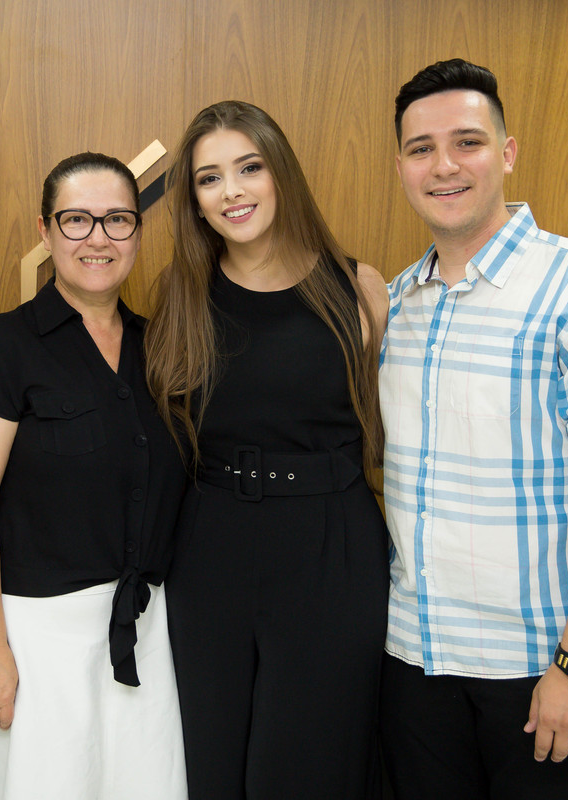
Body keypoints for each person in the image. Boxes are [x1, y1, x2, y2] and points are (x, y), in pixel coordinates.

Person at [379, 58, 568, 799]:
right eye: (421, 148)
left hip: (540, 671)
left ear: (507, 153)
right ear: (401, 167)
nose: (444, 165)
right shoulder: (398, 304)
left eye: (468, 142)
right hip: (414, 664)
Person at [0, 152, 188, 800]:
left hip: (141, 636)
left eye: (117, 219)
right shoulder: (6, 346)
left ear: (137, 232)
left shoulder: (161, 348)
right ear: (46, 231)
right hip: (32, 641)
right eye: (77, 220)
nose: (98, 238)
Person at [145, 100, 390, 799]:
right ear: (194, 199)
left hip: (331, 548)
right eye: (209, 178)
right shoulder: (181, 292)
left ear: (280, 172)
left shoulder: (359, 287)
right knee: (211, 762)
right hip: (212, 547)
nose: (232, 191)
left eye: (249, 167)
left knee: (309, 766)